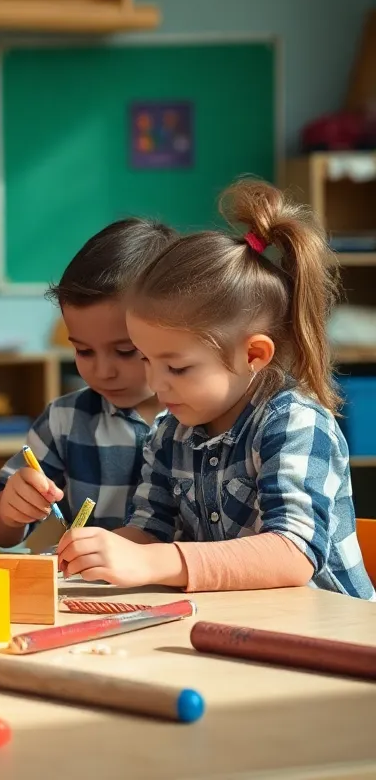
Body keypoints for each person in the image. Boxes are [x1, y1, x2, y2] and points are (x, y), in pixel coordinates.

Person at [58, 179, 374, 600]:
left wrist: (154, 561)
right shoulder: (172, 431)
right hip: (238, 627)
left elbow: (293, 553)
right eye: (147, 360)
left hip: (328, 640)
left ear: (254, 355)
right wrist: (99, 552)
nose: (155, 383)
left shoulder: (295, 422)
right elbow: (152, 531)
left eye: (178, 367)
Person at [0, 219, 176, 548]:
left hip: (191, 591)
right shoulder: (65, 420)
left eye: (126, 351)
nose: (102, 371)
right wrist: (11, 508)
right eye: (83, 350)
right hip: (92, 594)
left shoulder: (206, 420)